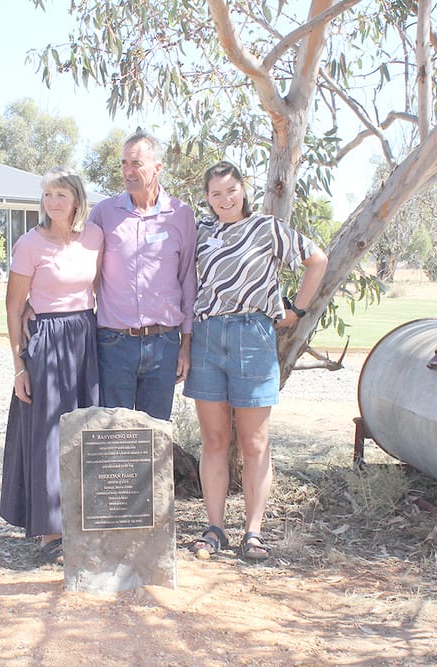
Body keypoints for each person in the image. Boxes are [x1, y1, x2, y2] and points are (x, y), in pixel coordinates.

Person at [183, 160, 328, 561]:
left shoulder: (267, 228)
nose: (224, 200)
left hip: (253, 334)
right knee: (214, 440)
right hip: (208, 336)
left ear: (243, 190)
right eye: (215, 194)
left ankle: (253, 532)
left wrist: (297, 309)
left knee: (254, 441)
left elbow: (316, 260)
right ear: (208, 199)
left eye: (231, 190)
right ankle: (214, 529)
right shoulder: (203, 231)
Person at [0, 168, 103, 565]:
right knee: (47, 435)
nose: (53, 202)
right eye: (47, 195)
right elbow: (13, 305)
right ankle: (50, 533)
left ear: (76, 199)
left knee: (84, 430)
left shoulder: (95, 237)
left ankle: (80, 524)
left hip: (86, 337)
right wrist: (19, 365)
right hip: (46, 339)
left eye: (61, 194)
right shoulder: (29, 243)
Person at [87, 131, 197, 421]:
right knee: (115, 435)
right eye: (124, 163)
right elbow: (81, 267)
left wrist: (185, 345)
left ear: (157, 168)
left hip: (164, 345)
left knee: (156, 439)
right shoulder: (103, 213)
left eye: (136, 163)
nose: (127, 171)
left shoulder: (180, 215)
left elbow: (187, 280)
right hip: (114, 344)